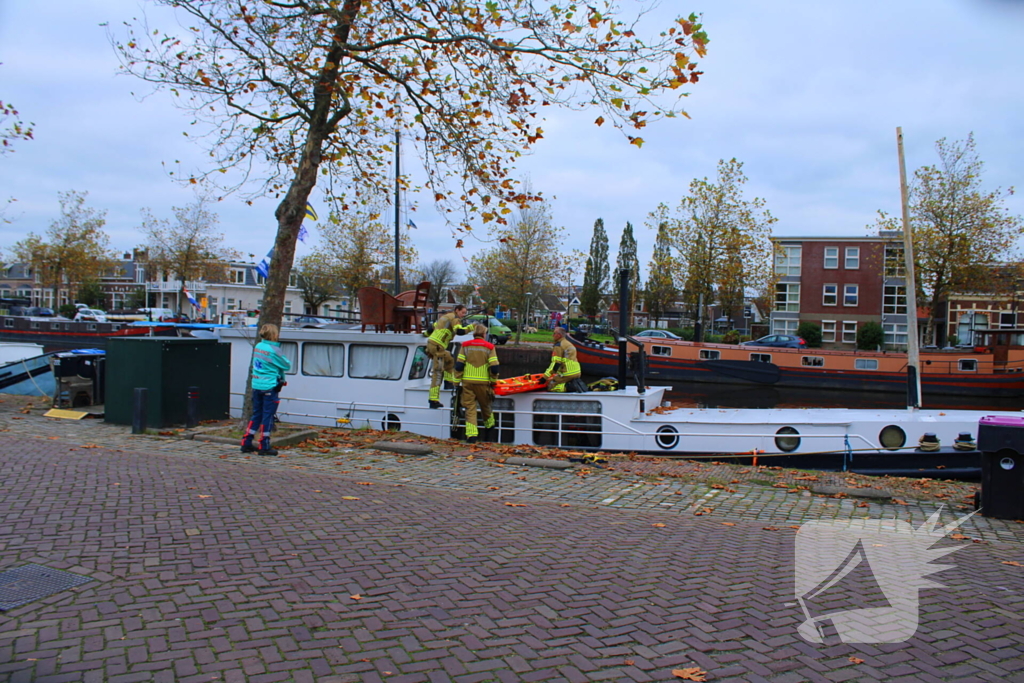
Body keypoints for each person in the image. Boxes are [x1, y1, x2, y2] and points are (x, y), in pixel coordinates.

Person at [241, 323, 292, 456]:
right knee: (267, 416)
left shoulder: (258, 346)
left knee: (256, 414)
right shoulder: (274, 350)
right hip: (269, 386)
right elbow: (287, 365)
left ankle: (246, 442)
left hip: (256, 385)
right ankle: (264, 445)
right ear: (274, 334)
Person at [455, 323, 499, 443]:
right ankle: (490, 430)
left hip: (467, 382)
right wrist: (493, 381)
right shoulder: (489, 347)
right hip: (483, 383)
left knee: (470, 409)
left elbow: (459, 365)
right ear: (484, 334)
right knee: (486, 407)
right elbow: (494, 367)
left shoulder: (465, 345)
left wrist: (456, 382)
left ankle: (471, 435)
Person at [425, 303, 472, 408]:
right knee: (438, 373)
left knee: (450, 359)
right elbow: (459, 331)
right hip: (438, 347)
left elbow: (431, 328)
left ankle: (448, 382)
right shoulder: (455, 318)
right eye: (463, 312)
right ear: (457, 310)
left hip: (434, 344)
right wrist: (472, 327)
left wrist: (425, 335)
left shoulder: (445, 317)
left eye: (465, 313)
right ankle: (433, 400)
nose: (464, 315)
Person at [542, 326, 581, 392]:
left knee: (550, 385)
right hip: (577, 372)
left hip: (567, 373)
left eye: (554, 333)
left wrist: (544, 377)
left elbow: (556, 363)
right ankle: (570, 386)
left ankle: (568, 388)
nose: (553, 335)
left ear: (559, 335)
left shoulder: (558, 346)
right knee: (556, 378)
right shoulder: (568, 343)